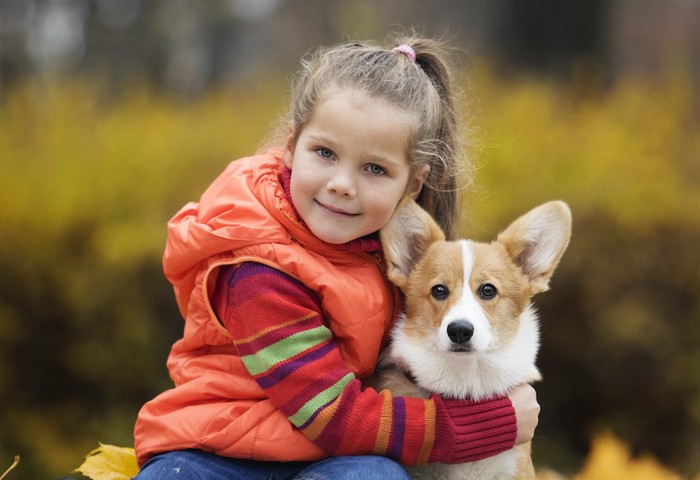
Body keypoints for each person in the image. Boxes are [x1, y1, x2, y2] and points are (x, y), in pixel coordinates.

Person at [133, 32, 540, 480]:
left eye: (374, 169)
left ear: (412, 185)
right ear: (291, 146)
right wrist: (488, 424)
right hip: (217, 454)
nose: (342, 184)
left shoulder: (387, 253)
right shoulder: (257, 268)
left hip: (326, 458)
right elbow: (329, 414)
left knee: (375, 476)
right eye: (325, 153)